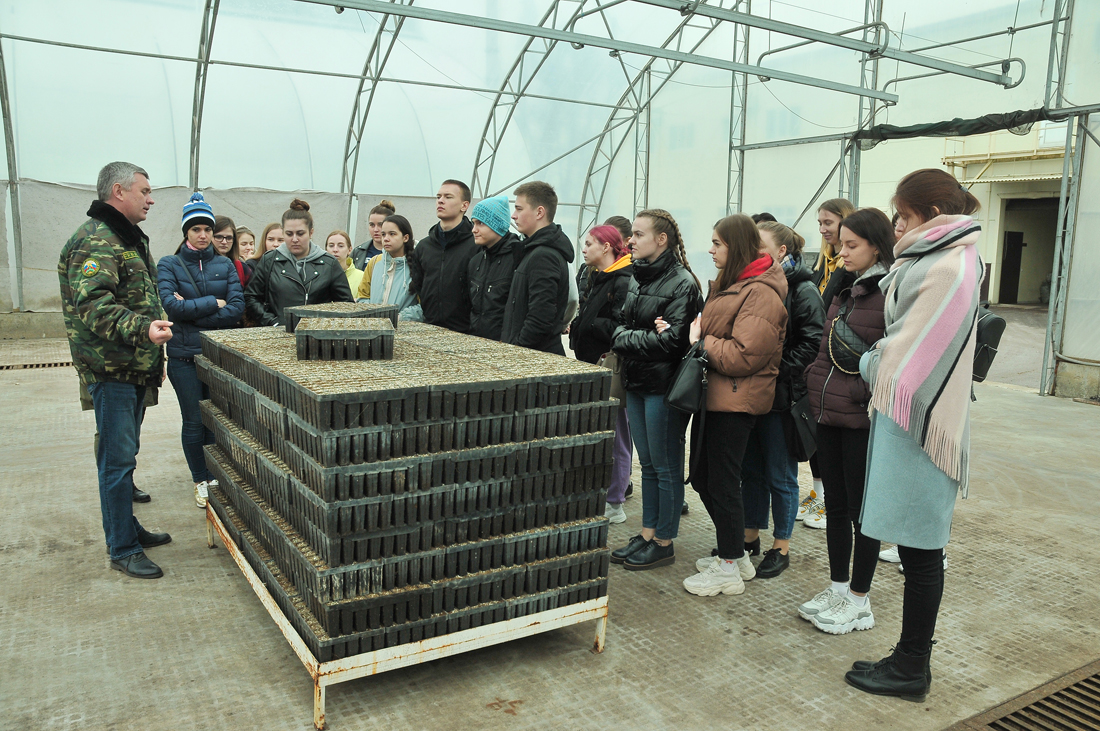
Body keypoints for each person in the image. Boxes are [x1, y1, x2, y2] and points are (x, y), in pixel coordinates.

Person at [845, 170, 984, 701]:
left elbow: (904, 362)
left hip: (924, 426)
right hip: (911, 422)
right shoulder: (936, 258)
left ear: (930, 215)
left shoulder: (949, 266)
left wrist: (869, 359)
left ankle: (911, 668)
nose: (896, 224)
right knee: (915, 547)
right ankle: (907, 658)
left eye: (902, 215)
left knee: (923, 550)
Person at [57, 161, 173, 579]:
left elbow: (140, 298)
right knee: (116, 461)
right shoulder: (95, 241)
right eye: (144, 190)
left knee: (126, 457)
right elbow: (94, 307)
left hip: (131, 367)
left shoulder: (122, 237)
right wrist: (144, 330)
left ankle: (128, 528)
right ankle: (121, 547)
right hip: (110, 371)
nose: (151, 198)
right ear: (119, 191)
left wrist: (150, 357)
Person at [798, 207, 894, 634]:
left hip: (860, 417)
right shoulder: (842, 287)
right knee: (835, 506)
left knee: (862, 513)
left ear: (877, 245)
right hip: (827, 412)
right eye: (841, 244)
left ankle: (860, 599)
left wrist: (860, 396)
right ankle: (838, 589)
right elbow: (822, 348)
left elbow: (889, 358)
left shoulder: (891, 292)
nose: (842, 251)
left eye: (852, 245)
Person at [681, 215, 786, 597]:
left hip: (738, 400)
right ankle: (736, 555)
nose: (710, 250)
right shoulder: (736, 285)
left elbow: (745, 355)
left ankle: (728, 566)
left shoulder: (761, 293)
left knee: (722, 482)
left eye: (718, 244)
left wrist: (702, 341)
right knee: (706, 478)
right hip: (718, 396)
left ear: (737, 247)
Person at [608, 209, 702, 571]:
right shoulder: (636, 277)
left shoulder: (682, 283)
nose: (631, 240)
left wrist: (631, 338)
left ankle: (664, 540)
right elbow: (616, 330)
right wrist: (641, 336)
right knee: (646, 464)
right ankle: (647, 533)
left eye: (638, 234)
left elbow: (673, 342)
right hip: (636, 382)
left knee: (665, 467)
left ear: (661, 240)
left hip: (664, 387)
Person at [737, 221, 824, 578]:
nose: (751, 250)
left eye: (759, 245)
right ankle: (750, 536)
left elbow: (812, 343)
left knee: (780, 473)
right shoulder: (753, 283)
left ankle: (781, 545)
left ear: (781, 251)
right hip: (754, 393)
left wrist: (772, 370)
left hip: (781, 396)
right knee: (751, 470)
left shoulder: (802, 289)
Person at [158, 193, 245, 509]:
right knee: (194, 420)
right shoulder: (169, 263)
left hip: (217, 354)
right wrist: (212, 304)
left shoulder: (224, 264)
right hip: (183, 355)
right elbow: (170, 306)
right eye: (196, 229)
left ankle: (214, 472)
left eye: (207, 228)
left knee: (216, 418)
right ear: (186, 232)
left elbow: (236, 307)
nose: (204, 234)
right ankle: (200, 478)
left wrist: (191, 309)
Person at [569, 225, 633, 523]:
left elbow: (620, 325)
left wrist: (591, 325)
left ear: (607, 247)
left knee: (618, 435)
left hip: (610, 367)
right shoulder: (597, 276)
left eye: (589, 243)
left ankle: (615, 501)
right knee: (603, 433)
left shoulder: (623, 280)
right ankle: (605, 494)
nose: (584, 248)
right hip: (591, 363)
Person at [800, 197, 857, 529]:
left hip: (838, 361)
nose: (823, 230)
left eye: (829, 223)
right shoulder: (822, 264)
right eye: (820, 223)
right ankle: (817, 496)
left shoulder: (848, 267)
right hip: (818, 358)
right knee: (815, 433)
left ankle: (829, 502)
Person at [244, 199, 354, 326]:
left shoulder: (329, 264)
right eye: (289, 234)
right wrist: (272, 322)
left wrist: (326, 326)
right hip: (277, 336)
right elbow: (251, 297)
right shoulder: (270, 261)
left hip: (317, 338)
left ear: (311, 232)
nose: (294, 239)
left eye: (300, 233)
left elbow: (347, 306)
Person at [501, 181, 575, 355]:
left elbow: (541, 316)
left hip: (534, 359)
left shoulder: (544, 255)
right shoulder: (533, 250)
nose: (513, 215)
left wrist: (517, 349)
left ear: (539, 212)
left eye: (519, 209)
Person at [406, 180, 479, 332]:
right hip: (430, 327)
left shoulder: (476, 245)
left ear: (464, 206)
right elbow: (419, 284)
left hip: (466, 332)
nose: (440, 200)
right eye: (438, 196)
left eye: (448, 197)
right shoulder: (424, 247)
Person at [466, 195, 521, 341]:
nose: (474, 230)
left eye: (480, 223)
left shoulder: (518, 258)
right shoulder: (476, 261)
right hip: (476, 343)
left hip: (505, 347)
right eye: (473, 223)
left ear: (497, 224)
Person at [356, 214, 419, 317]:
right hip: (374, 328)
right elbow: (363, 296)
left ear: (405, 237)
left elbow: (423, 306)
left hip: (404, 329)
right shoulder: (374, 262)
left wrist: (399, 318)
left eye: (392, 234)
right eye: (383, 234)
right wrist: (372, 314)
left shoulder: (419, 265)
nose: (386, 238)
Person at [351, 200, 395, 270]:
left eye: (380, 225)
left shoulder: (399, 252)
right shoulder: (358, 252)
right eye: (372, 225)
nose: (375, 229)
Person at [210, 215, 249, 290]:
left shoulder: (242, 268)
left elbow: (250, 297)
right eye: (218, 237)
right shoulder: (199, 265)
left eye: (229, 238)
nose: (224, 242)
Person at [325, 229, 363, 297]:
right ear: (326, 250)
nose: (335, 250)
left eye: (340, 246)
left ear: (349, 250)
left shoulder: (361, 277)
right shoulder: (319, 275)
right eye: (331, 245)